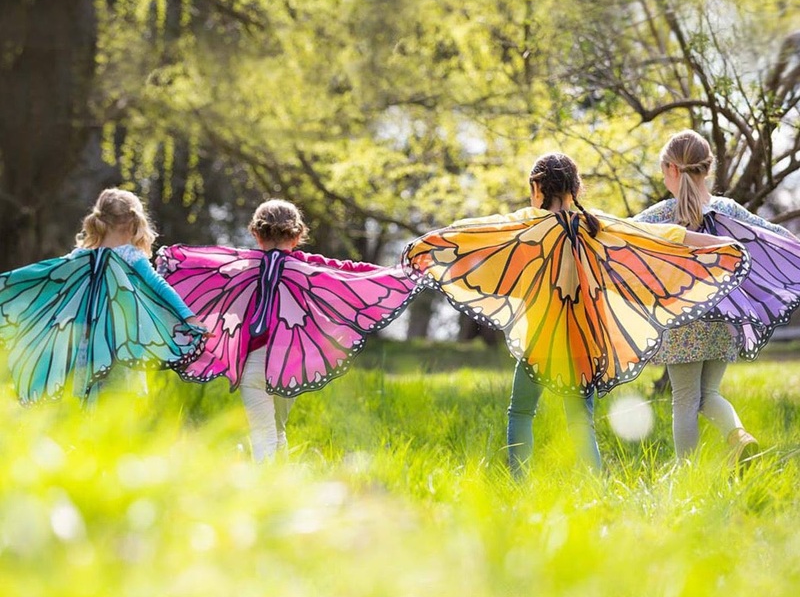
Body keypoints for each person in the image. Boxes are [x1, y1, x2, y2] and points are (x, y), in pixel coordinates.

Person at [403, 152, 749, 477]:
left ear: (537, 188)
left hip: (540, 342)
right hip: (584, 344)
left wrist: (425, 244)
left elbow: (475, 233)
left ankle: (518, 481)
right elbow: (659, 236)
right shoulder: (595, 226)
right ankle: (593, 484)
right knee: (580, 422)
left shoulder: (527, 225)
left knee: (521, 412)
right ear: (576, 188)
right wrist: (720, 246)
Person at [157, 199, 419, 462]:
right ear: (298, 235)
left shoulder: (240, 266)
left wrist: (170, 260)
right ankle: (280, 478)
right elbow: (352, 273)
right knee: (277, 429)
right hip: (290, 364)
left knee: (263, 433)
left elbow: (202, 265)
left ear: (256, 234)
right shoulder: (308, 267)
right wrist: (400, 273)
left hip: (254, 364)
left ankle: (268, 480)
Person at [634, 130, 800, 464]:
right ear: (708, 169)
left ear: (671, 169)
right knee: (708, 394)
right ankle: (739, 437)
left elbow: (620, 233)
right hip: (724, 319)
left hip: (680, 322)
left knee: (685, 399)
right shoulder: (727, 209)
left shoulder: (660, 216)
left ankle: (688, 474)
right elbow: (774, 235)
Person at [0, 188, 206, 404]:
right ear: (135, 223)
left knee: (85, 401)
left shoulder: (80, 256)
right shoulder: (131, 257)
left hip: (85, 345)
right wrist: (189, 318)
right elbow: (159, 287)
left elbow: (43, 278)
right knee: (119, 403)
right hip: (121, 343)